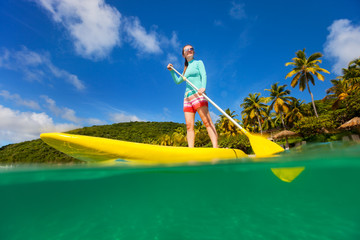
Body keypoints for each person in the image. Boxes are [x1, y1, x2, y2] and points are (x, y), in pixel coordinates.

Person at [167, 45, 218, 148]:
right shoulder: (185, 70)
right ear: (183, 54)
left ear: (193, 52)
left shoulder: (199, 63)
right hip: (187, 98)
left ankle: (216, 147)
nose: (189, 50)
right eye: (187, 49)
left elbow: (204, 75)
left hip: (198, 94)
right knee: (189, 126)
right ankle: (191, 149)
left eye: (191, 49)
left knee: (207, 122)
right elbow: (177, 81)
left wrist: (203, 87)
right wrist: (172, 71)